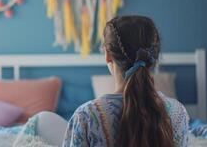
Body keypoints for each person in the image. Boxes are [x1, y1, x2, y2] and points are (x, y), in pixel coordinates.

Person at [62, 15, 189, 147]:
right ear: (154, 57)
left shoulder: (86, 116)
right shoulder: (178, 113)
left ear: (108, 55)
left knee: (42, 120)